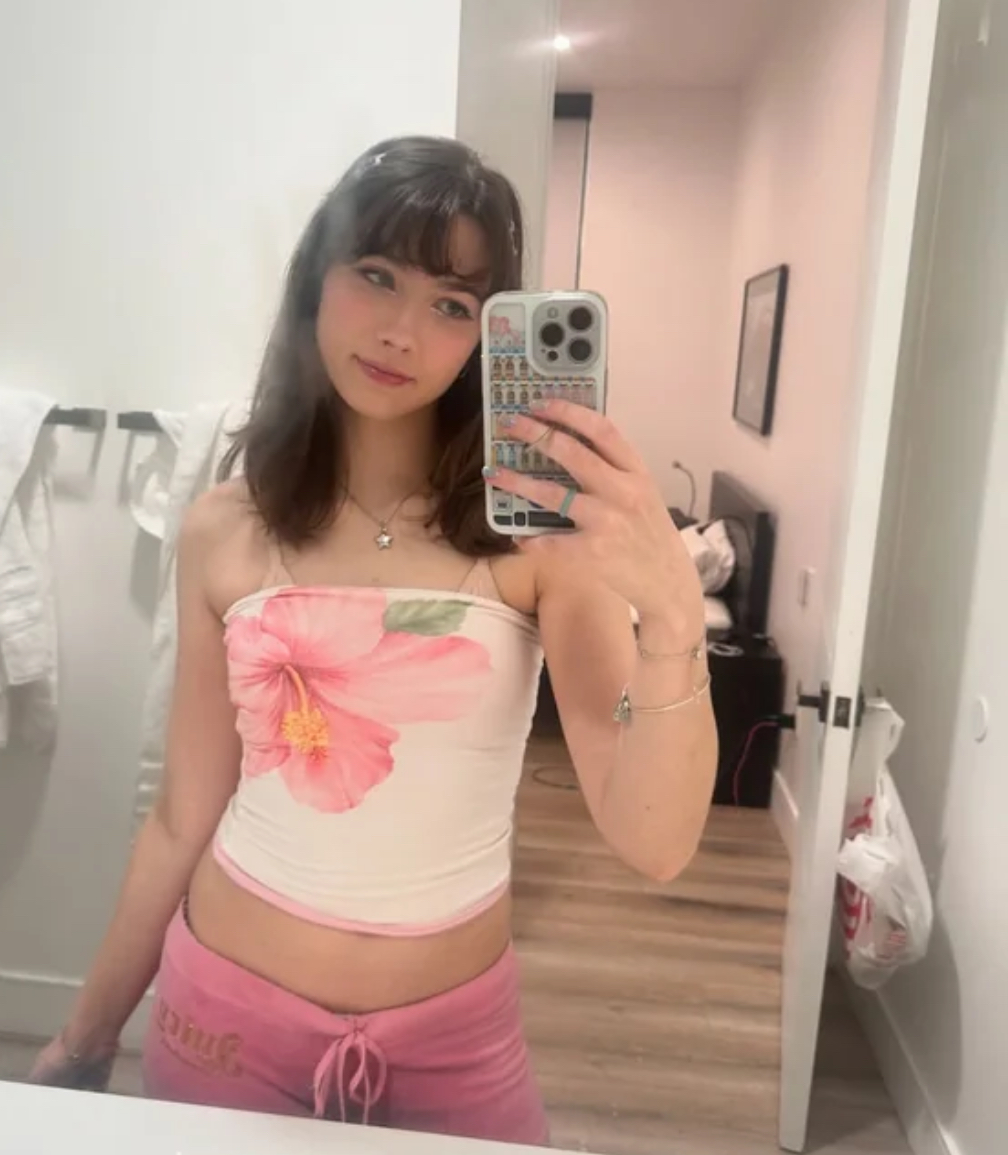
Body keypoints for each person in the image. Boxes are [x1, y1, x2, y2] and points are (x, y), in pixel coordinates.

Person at [28, 136, 717, 1144]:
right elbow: (181, 815)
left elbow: (655, 843)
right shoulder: (227, 526)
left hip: (457, 1045)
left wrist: (674, 618)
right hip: (223, 1023)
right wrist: (85, 1037)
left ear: (488, 335)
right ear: (318, 276)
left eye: (453, 304)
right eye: (378, 274)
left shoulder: (538, 543)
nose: (402, 330)